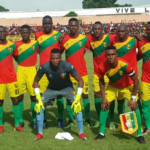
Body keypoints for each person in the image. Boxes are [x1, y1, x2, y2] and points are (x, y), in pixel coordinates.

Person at [94, 46, 146, 144]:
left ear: (116, 55)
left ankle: (139, 134)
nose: (111, 57)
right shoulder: (101, 66)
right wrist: (103, 98)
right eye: (108, 55)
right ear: (105, 56)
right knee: (104, 106)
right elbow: (101, 81)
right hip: (112, 87)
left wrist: (133, 98)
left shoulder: (124, 64)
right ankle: (101, 133)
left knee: (134, 107)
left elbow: (135, 81)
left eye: (113, 54)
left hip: (127, 86)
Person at [33, 48, 86, 140]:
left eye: (57, 58)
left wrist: (77, 97)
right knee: (39, 106)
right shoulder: (45, 66)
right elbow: (35, 81)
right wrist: (38, 97)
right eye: (53, 58)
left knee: (77, 107)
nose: (55, 60)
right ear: (50, 58)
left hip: (67, 88)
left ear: (60, 58)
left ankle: (81, 133)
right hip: (51, 89)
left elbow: (80, 80)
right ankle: (40, 133)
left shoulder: (67, 66)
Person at [60, 18, 92, 128]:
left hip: (82, 73)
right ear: (68, 27)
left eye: (75, 25)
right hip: (68, 74)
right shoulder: (64, 39)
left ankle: (87, 119)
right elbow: (58, 54)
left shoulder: (84, 39)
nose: (73, 27)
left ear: (78, 27)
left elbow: (93, 47)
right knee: (69, 98)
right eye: (71, 26)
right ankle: (70, 120)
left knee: (85, 95)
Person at [35, 15, 65, 128]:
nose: (47, 25)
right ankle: (44, 119)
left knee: (60, 96)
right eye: (45, 23)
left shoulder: (58, 35)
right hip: (43, 72)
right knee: (42, 97)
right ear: (42, 24)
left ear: (52, 24)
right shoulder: (38, 35)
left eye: (49, 23)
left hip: (57, 71)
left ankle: (60, 119)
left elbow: (62, 49)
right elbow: (37, 51)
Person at [109, 24, 140, 130]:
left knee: (132, 101)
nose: (121, 33)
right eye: (119, 31)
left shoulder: (134, 41)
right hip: (117, 75)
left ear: (127, 31)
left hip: (131, 76)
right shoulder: (114, 39)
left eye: (123, 31)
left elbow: (141, 52)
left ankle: (134, 125)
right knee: (114, 99)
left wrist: (135, 34)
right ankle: (112, 120)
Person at [86, 21, 113, 128]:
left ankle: (111, 120)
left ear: (102, 29)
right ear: (92, 30)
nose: (97, 31)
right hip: (97, 73)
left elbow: (123, 34)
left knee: (110, 96)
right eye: (95, 29)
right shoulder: (90, 39)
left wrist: (135, 34)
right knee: (97, 94)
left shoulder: (109, 38)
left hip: (109, 72)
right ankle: (99, 118)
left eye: (99, 29)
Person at [14, 25, 39, 128]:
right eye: (23, 32)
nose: (25, 34)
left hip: (32, 70)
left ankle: (33, 119)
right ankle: (20, 119)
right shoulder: (16, 44)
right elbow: (16, 57)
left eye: (26, 32)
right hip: (21, 69)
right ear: (20, 33)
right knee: (20, 96)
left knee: (33, 96)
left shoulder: (35, 44)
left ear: (30, 33)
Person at [0, 26, 24, 132]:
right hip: (0, 80)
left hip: (12, 79)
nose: (1, 33)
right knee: (0, 102)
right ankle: (0, 124)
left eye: (3, 31)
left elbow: (17, 59)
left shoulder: (12, 46)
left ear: (7, 33)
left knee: (16, 100)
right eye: (0, 32)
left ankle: (17, 124)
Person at [137, 23, 150, 135]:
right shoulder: (141, 42)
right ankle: (148, 127)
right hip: (146, 80)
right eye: (148, 29)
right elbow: (138, 57)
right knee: (145, 104)